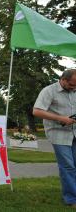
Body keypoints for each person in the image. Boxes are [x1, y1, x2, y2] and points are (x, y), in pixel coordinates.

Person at [33, 69, 76, 207]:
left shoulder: (75, 89)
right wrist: (60, 118)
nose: (74, 88)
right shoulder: (49, 91)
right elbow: (37, 111)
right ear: (63, 79)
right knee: (68, 166)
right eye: (71, 85)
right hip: (58, 134)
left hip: (75, 132)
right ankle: (71, 199)